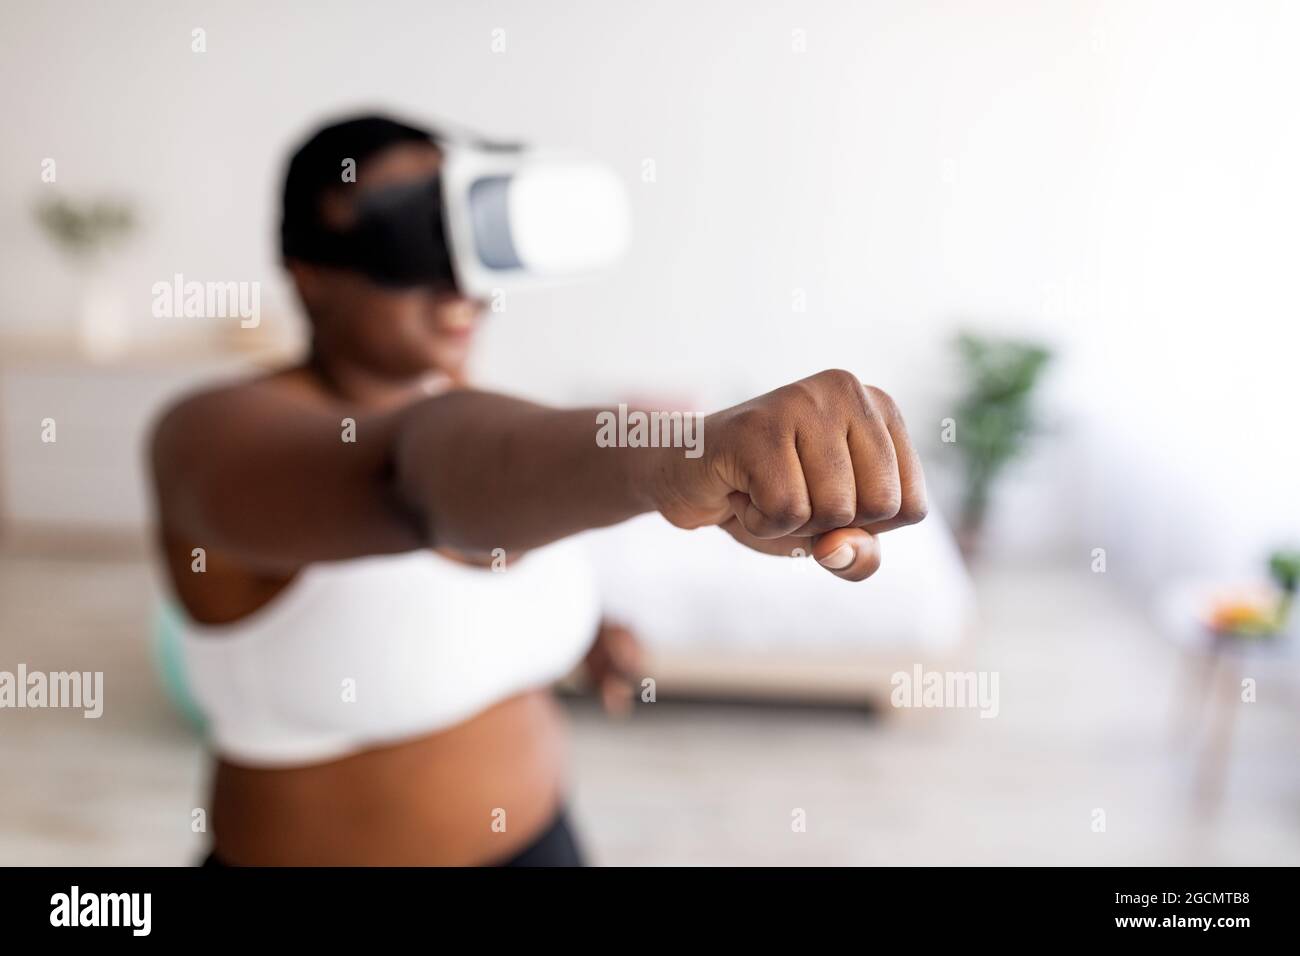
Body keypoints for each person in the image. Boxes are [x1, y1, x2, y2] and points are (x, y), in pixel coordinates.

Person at [149, 115, 927, 866]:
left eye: (470, 235)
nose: (459, 282)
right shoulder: (215, 434)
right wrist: (677, 454)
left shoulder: (497, 430)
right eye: (413, 239)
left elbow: (480, 528)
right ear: (309, 276)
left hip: (544, 842)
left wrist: (579, 630)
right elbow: (415, 476)